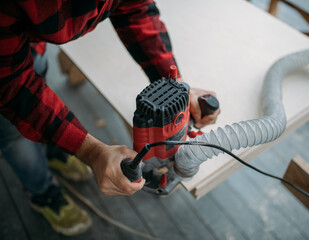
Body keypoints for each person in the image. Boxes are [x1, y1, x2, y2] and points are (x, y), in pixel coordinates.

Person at [0, 0, 221, 236]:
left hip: (29, 45)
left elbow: (135, 9)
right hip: (5, 65)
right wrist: (89, 151)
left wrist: (175, 89)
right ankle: (43, 194)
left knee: (38, 80)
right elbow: (12, 85)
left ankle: (54, 152)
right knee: (14, 135)